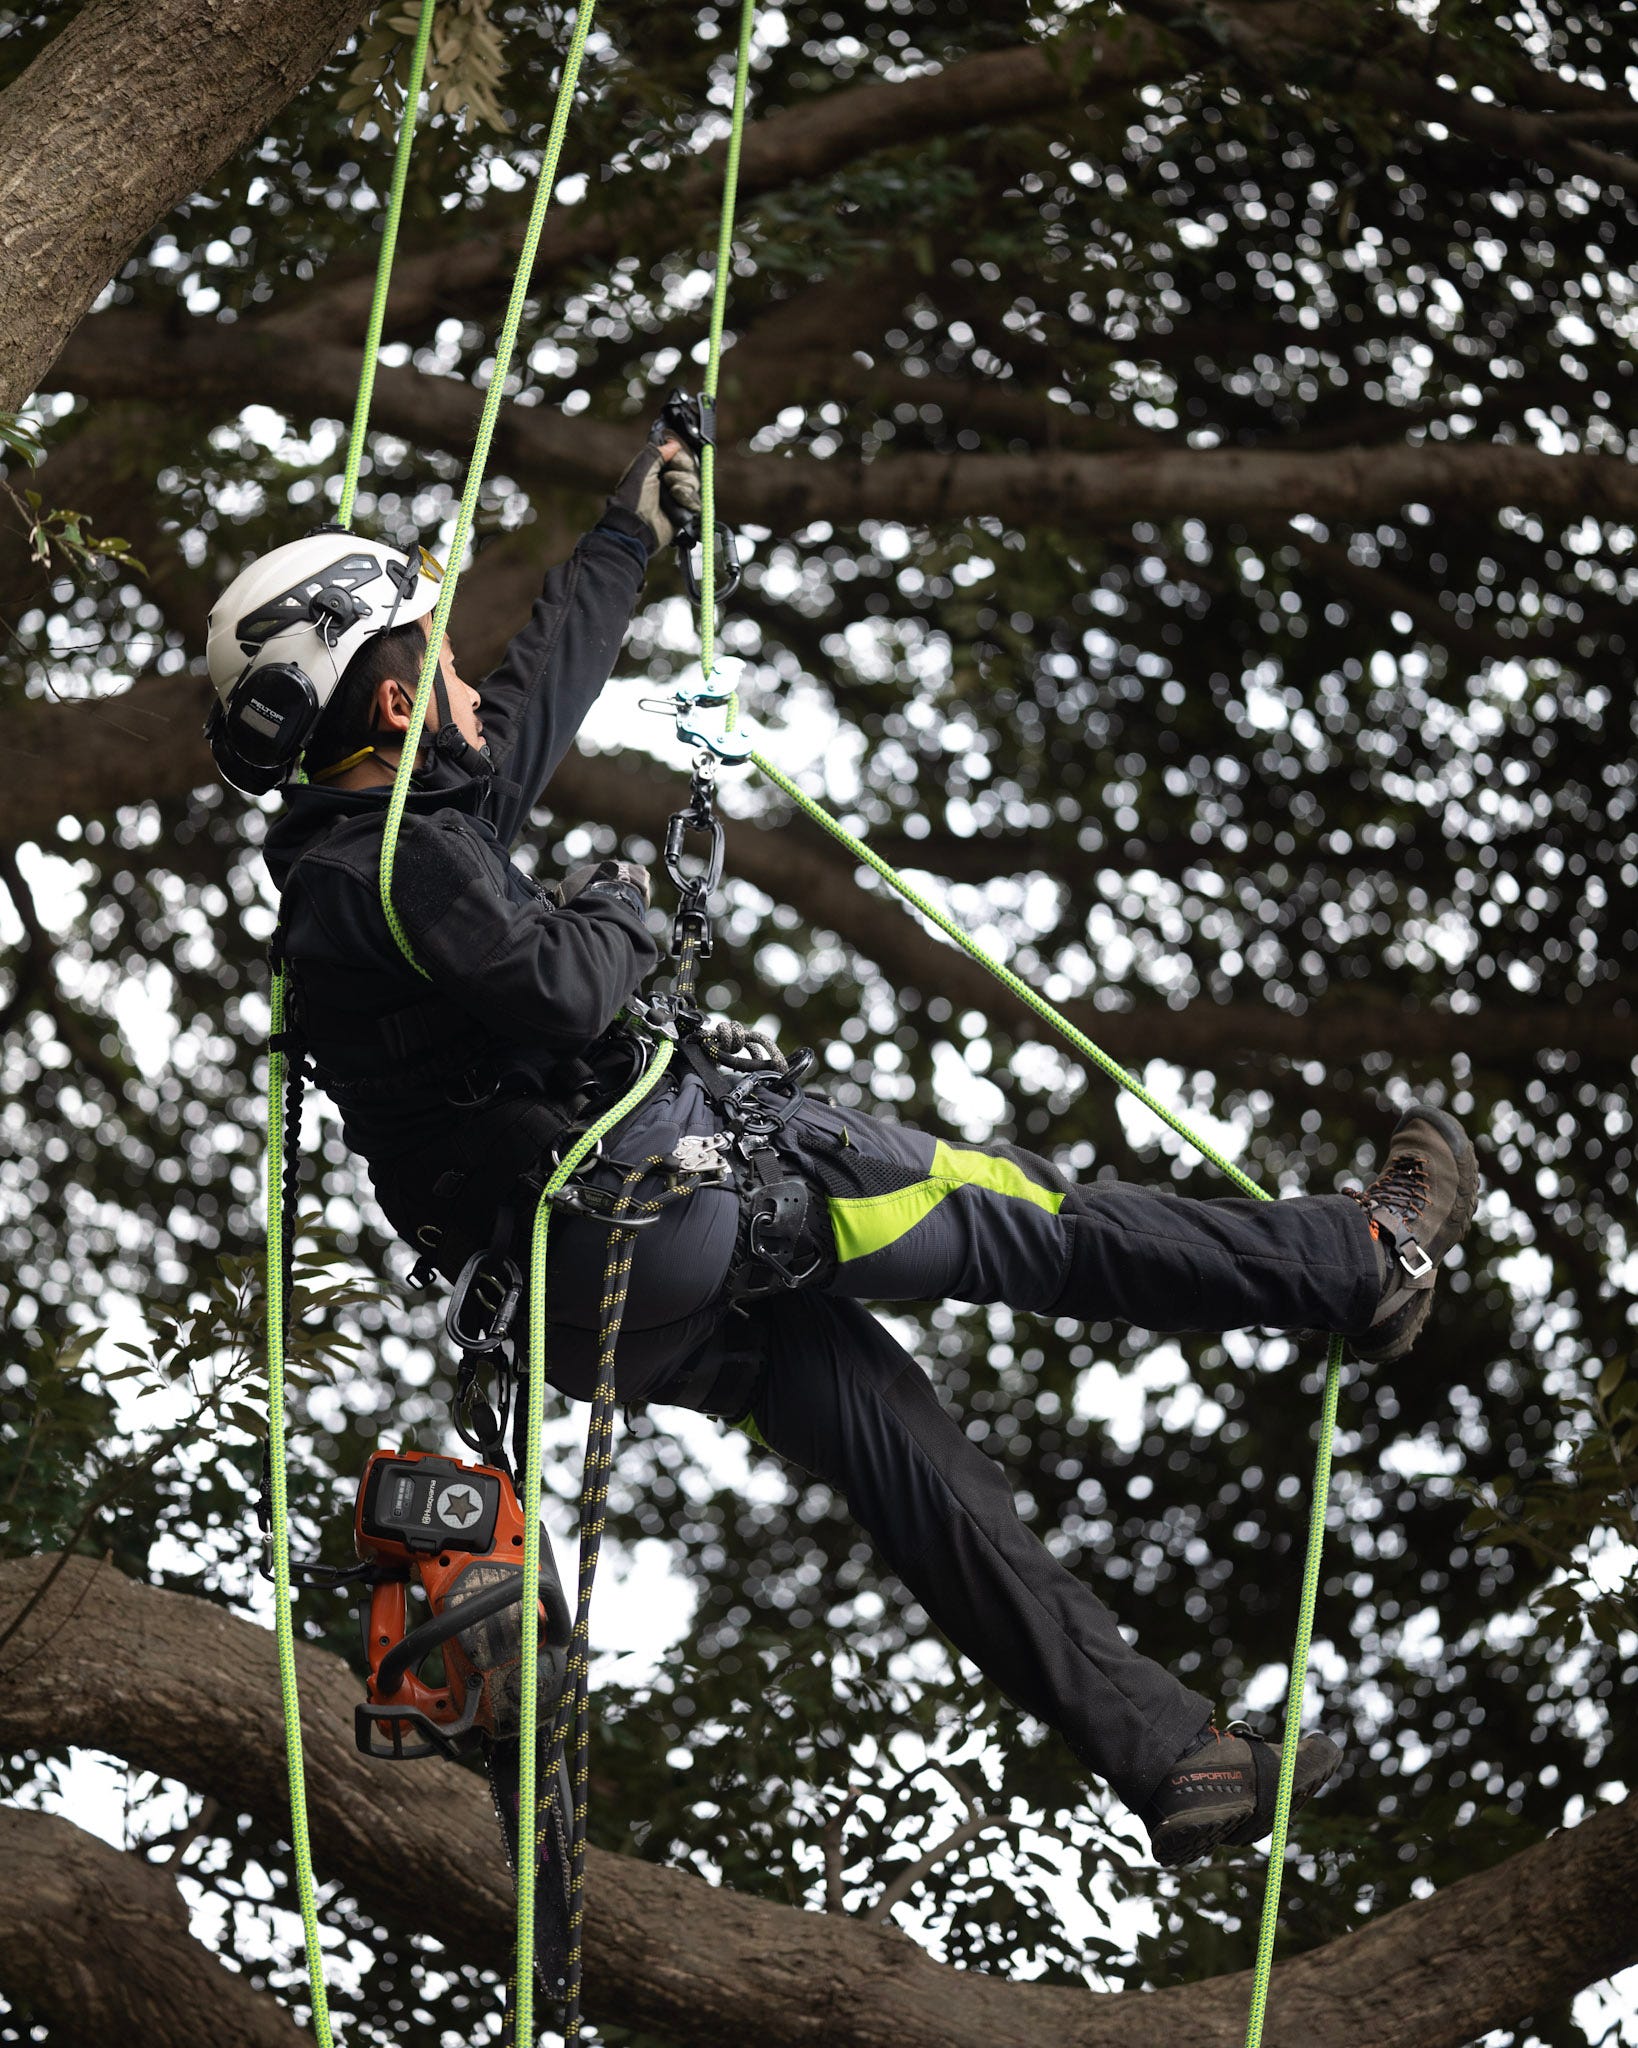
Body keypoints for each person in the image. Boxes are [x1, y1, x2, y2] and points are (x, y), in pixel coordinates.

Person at [209, 430, 1479, 1866]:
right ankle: (1354, 1261)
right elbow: (566, 983)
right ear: (388, 697)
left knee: (906, 1456)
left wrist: (623, 547)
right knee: (1023, 1215)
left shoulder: (375, 868)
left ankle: (1174, 1756)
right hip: (664, 1201)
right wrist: (623, 904)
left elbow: (528, 705)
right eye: (436, 663)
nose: (465, 683)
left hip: (592, 1314)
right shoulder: (395, 863)